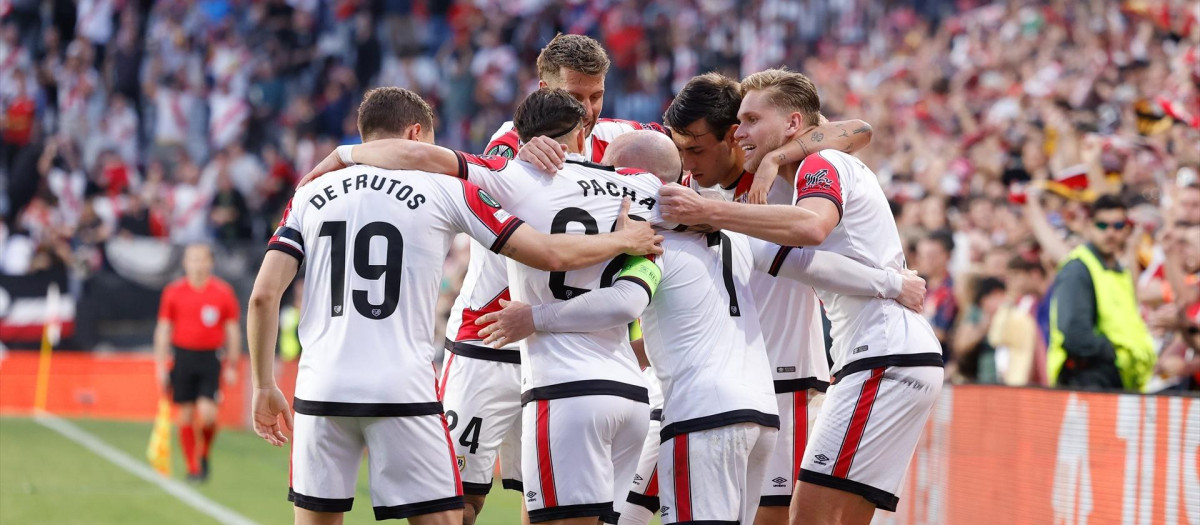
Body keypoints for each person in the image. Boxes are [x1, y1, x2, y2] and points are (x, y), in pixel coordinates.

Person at [474, 130, 927, 525]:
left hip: (701, 413)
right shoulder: (733, 225)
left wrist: (534, 316)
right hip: (760, 415)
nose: (603, 182)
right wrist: (889, 281)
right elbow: (811, 264)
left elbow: (627, 299)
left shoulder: (648, 238)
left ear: (637, 179)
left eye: (611, 172)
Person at [275, 87, 665, 525]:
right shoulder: (641, 184)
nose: (591, 108)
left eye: (597, 93)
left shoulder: (508, 173)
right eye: (577, 93)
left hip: (549, 372)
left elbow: (429, 159)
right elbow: (635, 285)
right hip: (572, 371)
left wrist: (345, 155)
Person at [656, 68, 944, 524]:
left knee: (808, 516)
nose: (741, 131)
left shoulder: (817, 165)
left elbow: (812, 226)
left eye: (750, 120)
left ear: (791, 124)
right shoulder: (794, 170)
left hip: (879, 353)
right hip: (878, 353)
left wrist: (712, 211)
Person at [1048, 195, 1157, 391]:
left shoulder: (1120, 272)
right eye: (1102, 225)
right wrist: (1112, 353)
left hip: (1119, 379)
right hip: (1087, 378)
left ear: (1126, 229)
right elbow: (1074, 333)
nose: (1110, 233)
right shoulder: (1078, 269)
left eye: (1118, 226)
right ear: (1089, 225)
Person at [153, 243, 241, 483]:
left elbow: (232, 330)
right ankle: (193, 467)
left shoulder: (222, 292)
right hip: (182, 356)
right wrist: (160, 365)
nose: (197, 264)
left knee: (209, 415)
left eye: (202, 259)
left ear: (210, 263)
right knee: (186, 414)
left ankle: (204, 452)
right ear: (185, 263)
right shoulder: (173, 292)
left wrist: (232, 365)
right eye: (192, 259)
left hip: (210, 357)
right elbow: (163, 329)